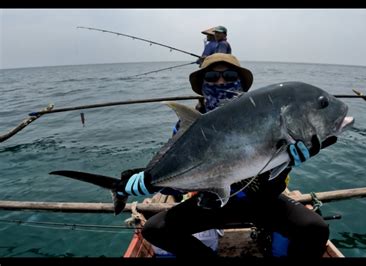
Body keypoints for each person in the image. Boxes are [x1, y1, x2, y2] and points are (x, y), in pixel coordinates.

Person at [115, 53, 329, 258]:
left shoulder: (265, 119)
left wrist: (288, 162)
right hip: (212, 202)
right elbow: (177, 180)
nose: (220, 82)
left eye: (229, 77)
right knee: (154, 229)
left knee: (316, 229)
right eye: (211, 77)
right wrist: (149, 181)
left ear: (241, 84)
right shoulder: (189, 126)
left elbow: (274, 185)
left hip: (261, 200)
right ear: (202, 85)